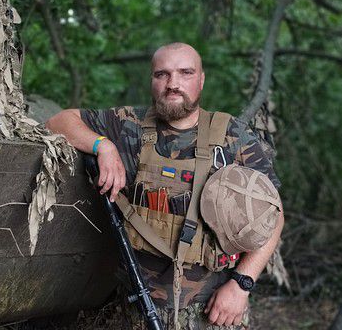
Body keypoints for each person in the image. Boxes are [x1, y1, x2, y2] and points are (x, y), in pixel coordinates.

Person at [46, 42, 284, 329]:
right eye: (162, 74)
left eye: (185, 73)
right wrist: (103, 145)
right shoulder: (126, 124)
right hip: (132, 307)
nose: (173, 84)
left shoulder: (233, 137)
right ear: (152, 80)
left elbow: (274, 215)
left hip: (212, 311)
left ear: (201, 80)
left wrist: (241, 284)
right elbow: (58, 121)